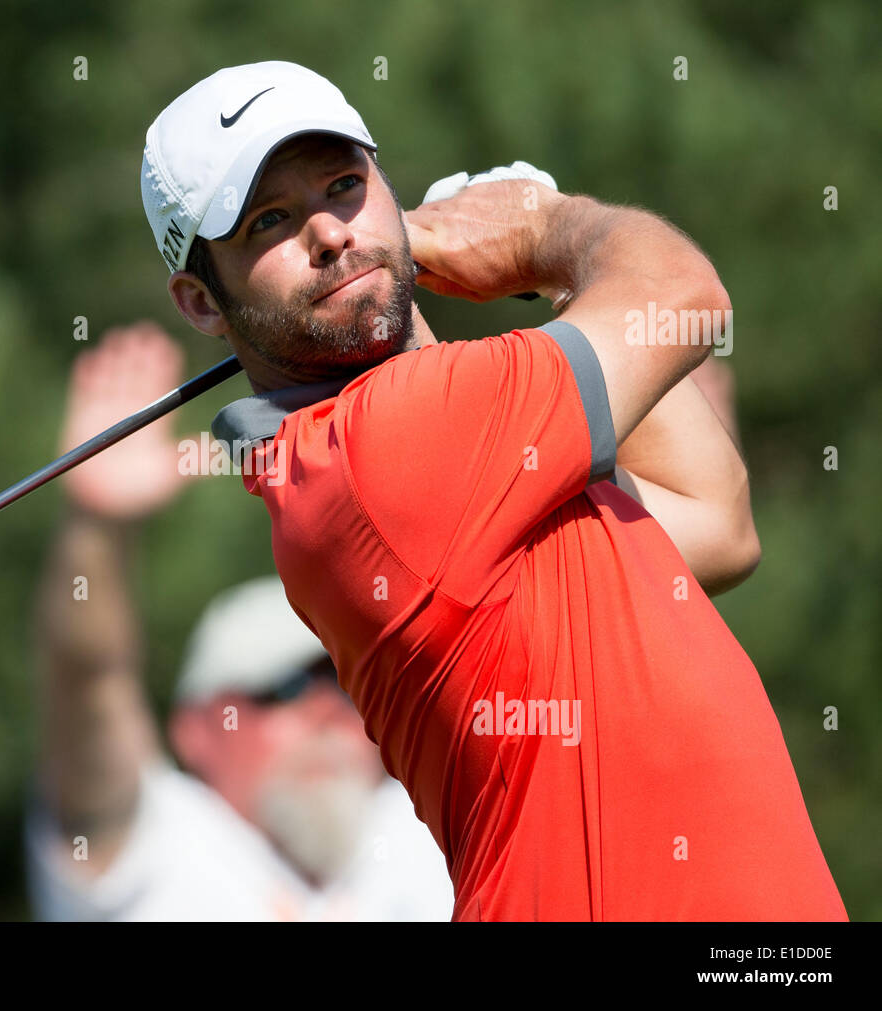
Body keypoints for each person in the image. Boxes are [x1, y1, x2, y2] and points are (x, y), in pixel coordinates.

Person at [138, 61, 847, 921]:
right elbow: (684, 295)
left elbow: (716, 520)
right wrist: (545, 227)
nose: (329, 232)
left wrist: (543, 276)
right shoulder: (380, 443)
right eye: (269, 222)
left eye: (345, 186)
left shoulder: (477, 464)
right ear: (201, 302)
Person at [24, 323, 454, 920]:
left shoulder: (433, 834)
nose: (327, 712)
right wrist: (96, 528)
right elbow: (88, 680)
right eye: (282, 691)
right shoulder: (154, 842)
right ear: (196, 729)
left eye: (347, 686)